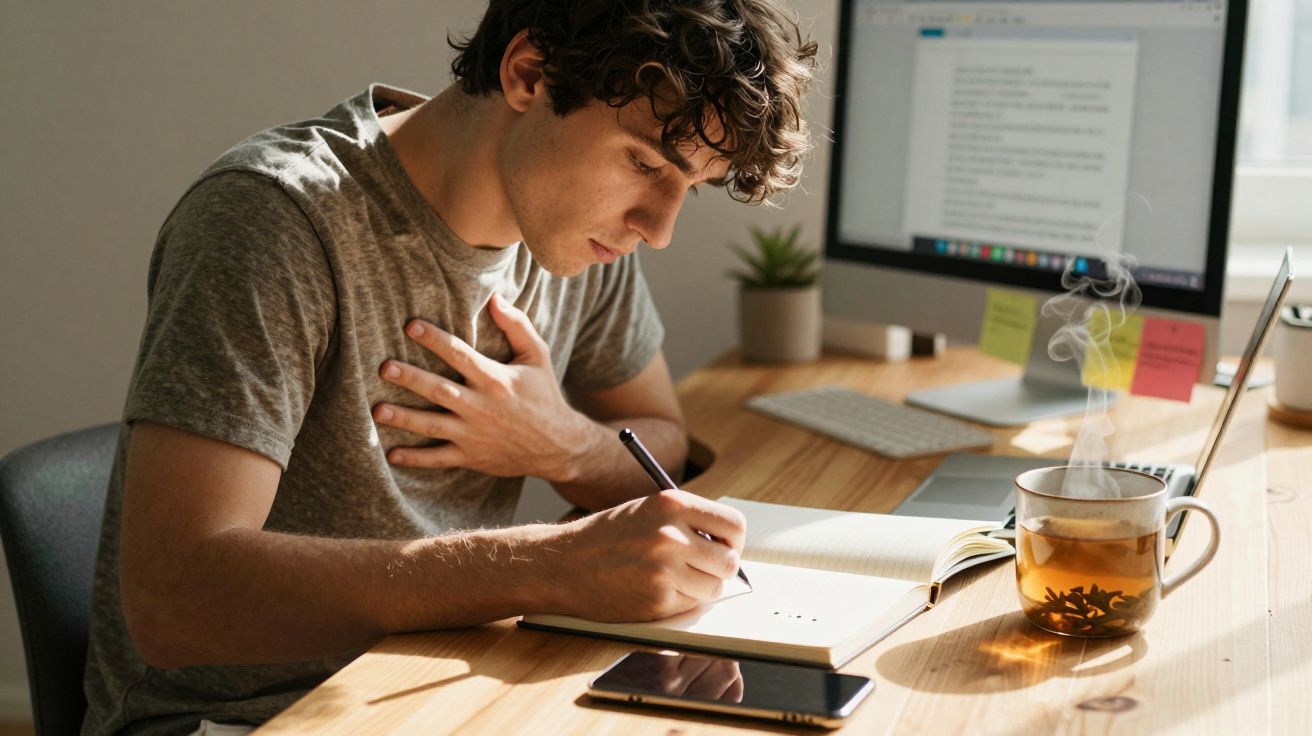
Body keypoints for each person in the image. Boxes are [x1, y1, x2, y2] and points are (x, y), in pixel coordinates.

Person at [81, 1, 817, 733]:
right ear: (530, 73)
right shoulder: (272, 221)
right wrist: (544, 566)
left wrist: (560, 444)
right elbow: (175, 603)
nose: (657, 230)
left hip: (441, 687)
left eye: (686, 187)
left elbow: (665, 441)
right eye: (645, 164)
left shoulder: (576, 235)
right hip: (247, 718)